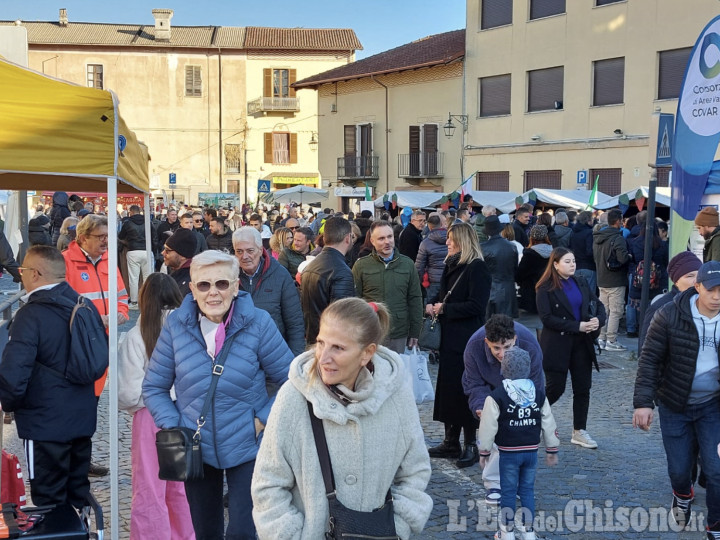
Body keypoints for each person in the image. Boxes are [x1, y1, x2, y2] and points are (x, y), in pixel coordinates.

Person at [143, 250, 294, 539]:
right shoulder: (176, 325)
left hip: (247, 444)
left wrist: (262, 420)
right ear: (192, 289)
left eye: (222, 284)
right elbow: (154, 387)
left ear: (236, 286)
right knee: (205, 531)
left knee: (244, 530)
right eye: (204, 285)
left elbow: (292, 381)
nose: (213, 293)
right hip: (195, 447)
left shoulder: (259, 323)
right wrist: (176, 426)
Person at [251, 298, 433, 539]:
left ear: (367, 353)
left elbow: (415, 472)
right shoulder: (293, 397)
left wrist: (398, 526)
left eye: (338, 348)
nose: (323, 357)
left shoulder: (396, 395)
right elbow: (268, 484)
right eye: (320, 343)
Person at [0, 246, 102, 507]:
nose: (21, 275)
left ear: (35, 273)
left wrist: (8, 404)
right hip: (81, 418)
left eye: (23, 270)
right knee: (77, 494)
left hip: (45, 425)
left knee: (48, 500)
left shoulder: (30, 315)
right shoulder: (84, 304)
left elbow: (14, 373)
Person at [633, 260, 720, 538]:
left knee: (717, 470)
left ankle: (715, 525)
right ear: (697, 288)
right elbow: (650, 361)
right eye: (711, 290)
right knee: (680, 469)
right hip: (674, 403)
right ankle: (682, 494)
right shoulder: (669, 314)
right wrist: (643, 403)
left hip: (713, 405)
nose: (717, 296)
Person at [118, 273, 194, 540]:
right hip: (184, 412)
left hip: (151, 416)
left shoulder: (138, 335)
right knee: (179, 488)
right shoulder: (191, 329)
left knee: (150, 487)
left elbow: (127, 392)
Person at [426, 223, 491, 468]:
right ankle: (450, 441)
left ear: (462, 241)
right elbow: (443, 294)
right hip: (449, 338)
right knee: (449, 390)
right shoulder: (451, 264)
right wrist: (432, 304)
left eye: (451, 239)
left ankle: (471, 444)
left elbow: (477, 306)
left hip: (468, 339)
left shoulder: (478, 268)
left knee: (467, 391)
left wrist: (445, 309)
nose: (447, 243)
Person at [462, 314, 545, 506]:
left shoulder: (530, 345)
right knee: (493, 432)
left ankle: (513, 481)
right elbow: (473, 383)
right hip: (489, 390)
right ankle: (494, 484)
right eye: (495, 348)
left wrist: (528, 412)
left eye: (507, 347)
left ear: (515, 339)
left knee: (516, 434)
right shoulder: (473, 346)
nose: (501, 353)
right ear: (486, 342)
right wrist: (481, 407)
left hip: (523, 388)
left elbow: (536, 384)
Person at [477, 348, 559, 540]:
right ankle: (529, 530)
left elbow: (487, 427)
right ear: (529, 369)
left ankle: (507, 531)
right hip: (531, 451)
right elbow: (548, 422)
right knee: (527, 490)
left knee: (508, 491)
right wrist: (551, 448)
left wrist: (484, 451)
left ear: (503, 369)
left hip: (508, 452)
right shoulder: (539, 395)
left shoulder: (496, 396)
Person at [535, 247, 606, 449]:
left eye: (573, 260)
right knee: (555, 388)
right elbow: (547, 318)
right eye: (567, 261)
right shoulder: (545, 287)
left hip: (582, 343)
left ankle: (579, 430)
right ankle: (533, 416)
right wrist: (577, 326)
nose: (572, 264)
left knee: (583, 388)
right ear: (555, 264)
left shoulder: (581, 282)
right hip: (557, 344)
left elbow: (598, 305)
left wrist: (597, 321)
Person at [352, 221, 423, 354]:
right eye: (381, 238)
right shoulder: (361, 265)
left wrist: (415, 331)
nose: (387, 242)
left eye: (389, 237)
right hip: (371, 331)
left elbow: (415, 298)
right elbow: (355, 300)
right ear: (372, 241)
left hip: (398, 331)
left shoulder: (407, 264)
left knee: (396, 371)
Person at [233, 227, 306, 356]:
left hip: (274, 354)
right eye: (239, 251)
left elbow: (295, 323)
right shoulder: (228, 277)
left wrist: (293, 360)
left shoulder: (280, 275)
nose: (244, 256)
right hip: (238, 356)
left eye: (250, 251)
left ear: (260, 250)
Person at [300, 217, 355, 344]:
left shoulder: (311, 266)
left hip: (314, 339)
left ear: (324, 238)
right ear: (348, 238)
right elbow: (342, 316)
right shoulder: (341, 271)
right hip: (330, 343)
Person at [637, 251, 702, 354]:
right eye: (690, 276)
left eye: (699, 276)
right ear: (676, 281)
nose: (696, 281)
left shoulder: (707, 304)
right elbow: (646, 350)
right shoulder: (661, 307)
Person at [593, 208, 630, 351]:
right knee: (616, 311)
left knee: (604, 310)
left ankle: (601, 338)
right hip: (615, 279)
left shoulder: (598, 237)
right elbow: (622, 258)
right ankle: (611, 340)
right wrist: (628, 257)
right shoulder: (618, 238)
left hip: (601, 278)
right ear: (619, 221)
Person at [626, 221, 668, 338]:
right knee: (655, 307)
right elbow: (665, 262)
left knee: (636, 307)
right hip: (658, 281)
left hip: (640, 280)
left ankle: (638, 330)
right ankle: (652, 332)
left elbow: (633, 260)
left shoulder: (635, 243)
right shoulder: (662, 244)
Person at [481, 215, 518, 319]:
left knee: (487, 325)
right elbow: (515, 269)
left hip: (489, 289)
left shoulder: (482, 247)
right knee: (505, 325)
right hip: (507, 288)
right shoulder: (512, 246)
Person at [119, 205, 154, 310]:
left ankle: (134, 302)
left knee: (133, 278)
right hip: (147, 251)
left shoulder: (127, 223)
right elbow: (154, 237)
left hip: (133, 251)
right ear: (140, 211)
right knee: (148, 278)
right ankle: (148, 301)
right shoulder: (148, 222)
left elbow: (121, 236)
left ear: (131, 212)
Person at [516, 224, 553, 314]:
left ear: (531, 237)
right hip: (549, 293)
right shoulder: (554, 252)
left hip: (531, 296)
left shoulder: (529, 254)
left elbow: (520, 274)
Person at [415, 214, 448, 304]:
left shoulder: (425, 243)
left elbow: (419, 266)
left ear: (429, 227)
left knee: (431, 308)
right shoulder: (451, 239)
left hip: (433, 281)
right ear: (441, 224)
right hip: (450, 279)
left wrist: (420, 281)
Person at [162, 228, 196, 297]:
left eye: (167, 250)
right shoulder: (177, 273)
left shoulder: (190, 282)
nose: (163, 253)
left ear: (183, 255)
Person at [570, 210, 597, 294]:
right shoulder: (589, 232)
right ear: (588, 220)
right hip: (588, 266)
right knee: (590, 295)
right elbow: (590, 251)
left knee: (578, 294)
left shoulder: (573, 232)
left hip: (576, 266)